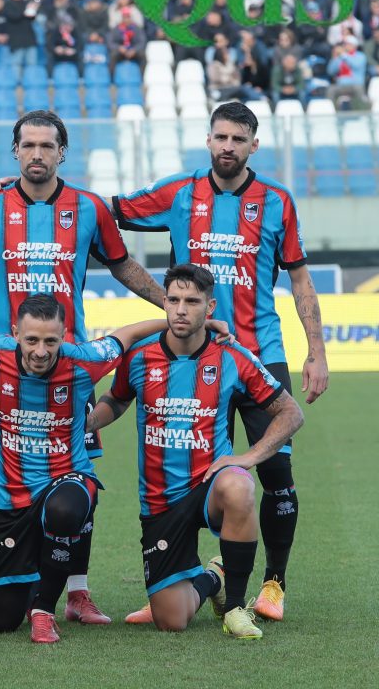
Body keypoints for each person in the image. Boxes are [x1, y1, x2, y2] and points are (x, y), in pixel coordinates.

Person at [0, 109, 166, 627]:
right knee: (1, 477)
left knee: (75, 473)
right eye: (28, 145)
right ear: (14, 152)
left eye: (47, 146)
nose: (37, 154)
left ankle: (77, 592)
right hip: (4, 367)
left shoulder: (87, 208)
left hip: (68, 366)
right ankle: (1, 581)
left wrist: (166, 305)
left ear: (63, 152)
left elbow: (123, 263)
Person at [113, 101, 329, 623]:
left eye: (238, 139)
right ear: (208, 141)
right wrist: (39, 187)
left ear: (254, 145)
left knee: (273, 469)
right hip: (191, 357)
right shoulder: (179, 193)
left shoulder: (277, 201)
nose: (228, 146)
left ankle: (273, 583)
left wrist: (316, 350)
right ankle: (186, 577)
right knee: (184, 466)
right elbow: (105, 214)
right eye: (220, 137)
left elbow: (300, 277)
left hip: (260, 354)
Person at [0, 295, 184, 641]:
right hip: (12, 496)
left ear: (64, 336)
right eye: (32, 340)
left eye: (51, 341)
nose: (41, 351)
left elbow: (124, 336)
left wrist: (171, 319)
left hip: (67, 480)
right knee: (1, 622)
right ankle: (28, 583)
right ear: (15, 334)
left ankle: (44, 610)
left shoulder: (84, 361)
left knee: (64, 510)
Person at [88, 264, 305, 638]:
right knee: (171, 620)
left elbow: (291, 412)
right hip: (160, 500)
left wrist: (248, 457)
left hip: (209, 483)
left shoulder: (232, 357)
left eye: (192, 301)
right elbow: (116, 400)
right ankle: (214, 579)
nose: (181, 309)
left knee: (239, 487)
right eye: (173, 300)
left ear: (210, 307)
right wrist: (86, 424)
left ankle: (236, 608)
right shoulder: (139, 358)